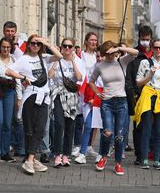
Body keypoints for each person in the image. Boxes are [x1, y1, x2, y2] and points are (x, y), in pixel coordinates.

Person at [12, 35, 62, 175]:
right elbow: (9, 71)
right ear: (28, 44)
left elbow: (59, 56)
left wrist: (46, 43)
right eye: (33, 43)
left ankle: (30, 159)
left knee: (40, 129)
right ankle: (31, 159)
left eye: (38, 44)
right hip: (31, 95)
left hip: (44, 96)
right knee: (30, 129)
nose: (36, 46)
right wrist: (23, 78)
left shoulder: (44, 57)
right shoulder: (23, 59)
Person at [90, 41, 138, 176]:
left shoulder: (121, 61)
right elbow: (91, 81)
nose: (110, 55)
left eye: (112, 52)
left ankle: (118, 163)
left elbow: (135, 53)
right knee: (107, 132)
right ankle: (104, 156)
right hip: (107, 102)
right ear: (104, 53)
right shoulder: (100, 66)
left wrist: (119, 48)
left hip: (122, 101)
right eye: (108, 53)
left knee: (119, 135)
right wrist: (97, 93)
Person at [134, 39, 160, 170]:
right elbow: (138, 83)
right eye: (156, 48)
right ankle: (144, 158)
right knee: (146, 128)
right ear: (152, 48)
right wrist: (149, 74)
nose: (158, 50)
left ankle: (157, 159)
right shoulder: (145, 62)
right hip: (148, 95)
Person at [48, 38, 83, 167]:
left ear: (73, 48)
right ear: (61, 47)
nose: (67, 49)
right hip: (58, 94)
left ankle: (66, 155)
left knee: (70, 126)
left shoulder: (78, 61)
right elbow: (50, 75)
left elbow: (79, 78)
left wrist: (73, 61)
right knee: (59, 124)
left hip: (72, 96)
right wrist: (57, 60)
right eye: (65, 46)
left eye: (70, 46)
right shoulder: (56, 59)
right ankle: (57, 154)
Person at [124, 25, 153, 165]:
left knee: (154, 126)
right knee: (139, 126)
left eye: (147, 39)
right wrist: (132, 94)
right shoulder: (134, 56)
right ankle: (139, 154)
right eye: (143, 39)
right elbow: (129, 78)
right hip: (138, 96)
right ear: (139, 38)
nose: (145, 42)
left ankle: (152, 152)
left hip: (155, 96)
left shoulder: (155, 54)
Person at [73, 32, 101, 162]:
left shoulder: (98, 56)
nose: (93, 42)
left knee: (94, 122)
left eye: (95, 40)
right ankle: (78, 145)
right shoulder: (81, 55)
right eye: (91, 40)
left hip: (95, 89)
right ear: (86, 41)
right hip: (83, 90)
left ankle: (89, 146)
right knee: (81, 120)